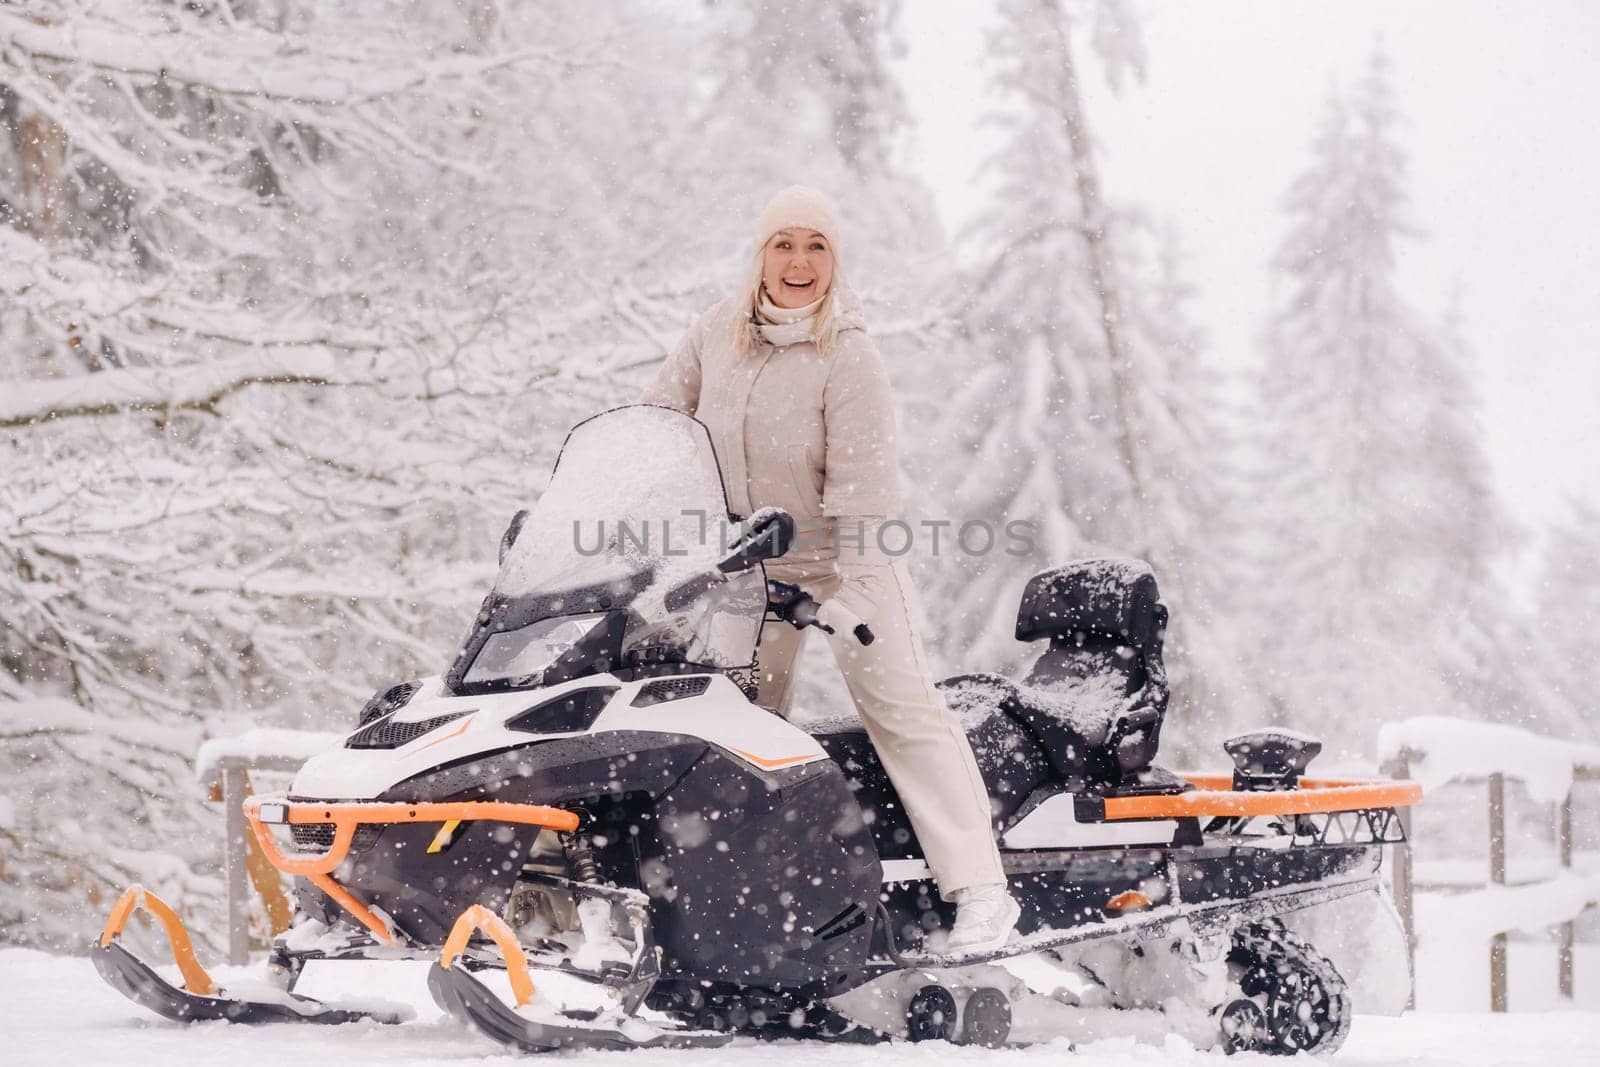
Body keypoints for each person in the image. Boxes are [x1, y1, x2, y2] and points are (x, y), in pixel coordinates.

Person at [641, 185, 1018, 952]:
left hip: (846, 562)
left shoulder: (847, 352)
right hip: (744, 571)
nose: (799, 262)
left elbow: (863, 487)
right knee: (727, 733)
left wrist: (844, 596)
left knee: (903, 713)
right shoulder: (716, 334)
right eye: (784, 244)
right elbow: (658, 430)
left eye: (817, 247)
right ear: (759, 255)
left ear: (835, 261)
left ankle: (979, 891)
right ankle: (734, 914)